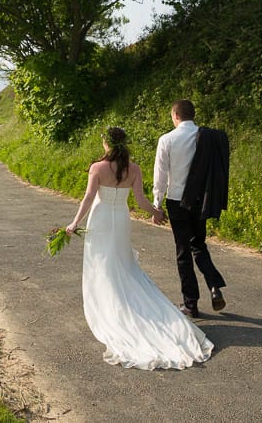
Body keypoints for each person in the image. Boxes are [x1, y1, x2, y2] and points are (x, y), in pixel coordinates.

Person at [65, 126, 213, 369]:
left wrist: (74, 223)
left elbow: (89, 198)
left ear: (107, 144)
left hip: (101, 219)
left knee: (102, 264)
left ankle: (108, 306)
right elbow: (141, 201)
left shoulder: (98, 168)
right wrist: (156, 213)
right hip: (121, 219)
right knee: (121, 263)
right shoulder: (133, 169)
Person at [153, 99, 227, 318]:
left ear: (175, 116)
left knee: (183, 251)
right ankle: (214, 286)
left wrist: (157, 203)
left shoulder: (167, 139)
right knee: (199, 245)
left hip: (177, 201)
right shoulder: (205, 138)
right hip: (199, 200)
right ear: (192, 115)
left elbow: (161, 174)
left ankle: (191, 303)